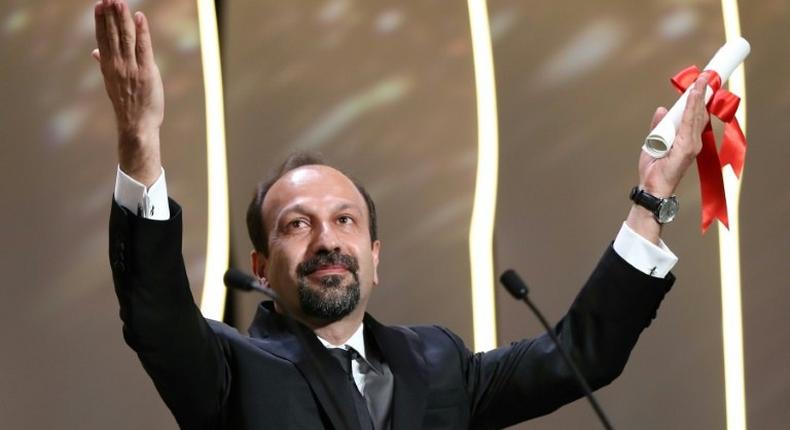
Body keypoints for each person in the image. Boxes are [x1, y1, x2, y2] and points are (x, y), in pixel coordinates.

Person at [94, 0, 710, 429]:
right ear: (260, 267)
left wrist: (653, 196)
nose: (326, 240)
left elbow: (583, 353)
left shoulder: (437, 364)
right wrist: (139, 144)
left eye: (345, 221)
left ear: (375, 257)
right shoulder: (231, 370)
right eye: (297, 224)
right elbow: (156, 316)